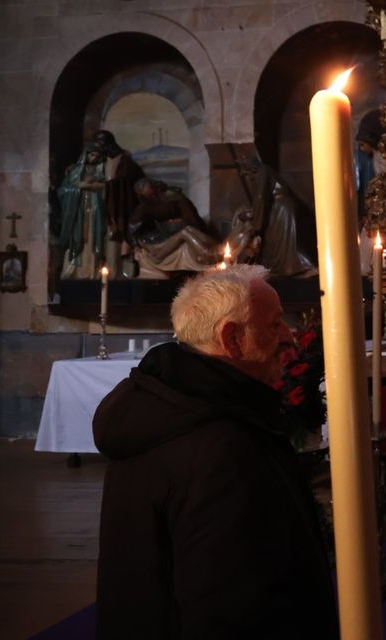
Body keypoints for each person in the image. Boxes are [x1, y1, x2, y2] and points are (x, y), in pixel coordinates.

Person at [93, 264, 338, 639]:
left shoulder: (163, 410)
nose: (289, 337)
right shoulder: (222, 445)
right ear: (232, 338)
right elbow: (229, 602)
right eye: (274, 325)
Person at [128, 177, 220, 277]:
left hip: (180, 229)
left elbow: (191, 217)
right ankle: (205, 252)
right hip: (161, 238)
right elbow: (134, 229)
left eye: (154, 194)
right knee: (185, 233)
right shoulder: (143, 209)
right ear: (142, 197)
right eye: (150, 196)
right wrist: (138, 245)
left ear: (157, 188)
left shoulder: (173, 196)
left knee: (190, 231)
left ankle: (211, 250)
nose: (154, 198)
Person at [92, 129, 146, 275]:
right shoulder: (105, 161)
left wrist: (105, 186)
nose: (99, 150)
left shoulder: (125, 162)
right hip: (106, 209)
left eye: (100, 145)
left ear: (107, 144)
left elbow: (125, 184)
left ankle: (120, 273)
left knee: (117, 243)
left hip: (122, 208)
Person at [56, 140, 107, 279]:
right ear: (86, 155)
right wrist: (78, 187)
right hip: (78, 211)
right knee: (78, 238)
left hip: (95, 212)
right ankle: (75, 270)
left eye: (97, 156)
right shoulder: (75, 170)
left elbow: (107, 188)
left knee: (92, 237)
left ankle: (91, 270)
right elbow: (62, 191)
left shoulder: (102, 170)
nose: (94, 158)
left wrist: (95, 186)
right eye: (92, 155)